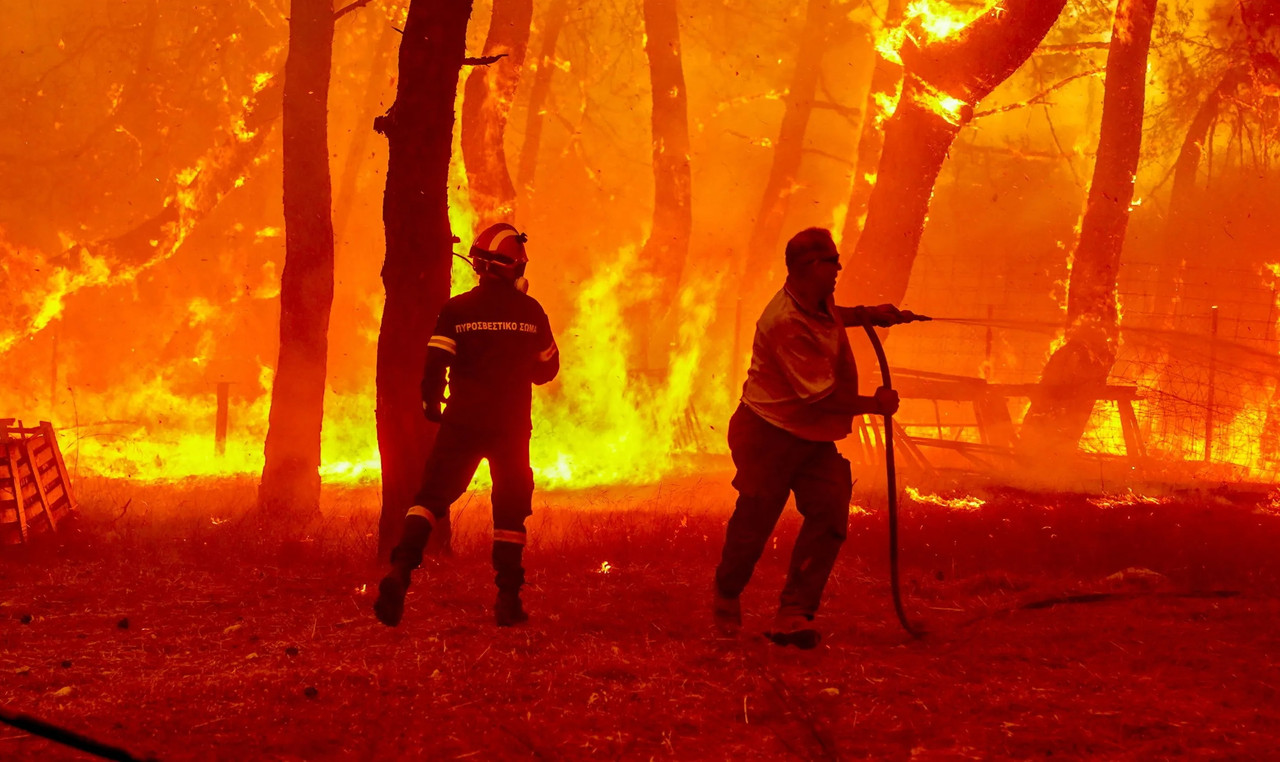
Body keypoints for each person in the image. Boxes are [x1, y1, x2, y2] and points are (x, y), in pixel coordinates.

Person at [713, 226, 918, 649]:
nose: (838, 268)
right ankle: (726, 594)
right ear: (808, 268)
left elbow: (829, 314)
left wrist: (866, 314)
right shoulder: (784, 322)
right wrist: (874, 404)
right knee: (755, 523)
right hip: (767, 435)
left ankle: (793, 613)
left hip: (809, 438)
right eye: (831, 262)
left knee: (829, 513)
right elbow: (821, 399)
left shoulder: (813, 297)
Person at [375, 222, 560, 628]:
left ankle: (399, 573)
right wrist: (518, 358)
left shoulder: (457, 310)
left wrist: (430, 401)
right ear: (513, 267)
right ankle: (508, 601)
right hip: (510, 427)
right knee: (510, 511)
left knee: (431, 497)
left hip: (463, 420)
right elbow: (549, 370)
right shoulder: (531, 312)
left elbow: (436, 362)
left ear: (479, 265)